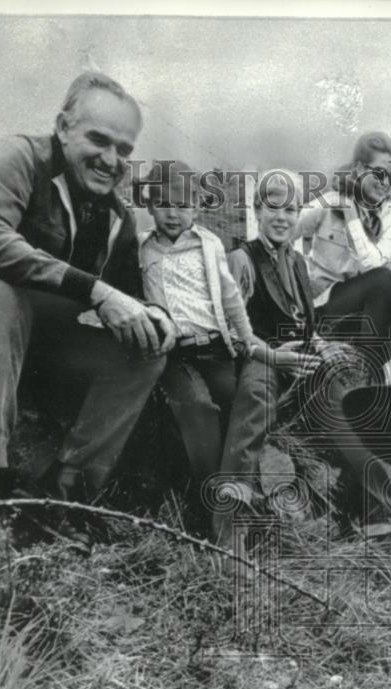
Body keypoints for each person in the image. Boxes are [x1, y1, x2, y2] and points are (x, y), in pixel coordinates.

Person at [0, 72, 174, 526]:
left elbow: (129, 295)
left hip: (43, 348)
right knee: (1, 294)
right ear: (63, 127)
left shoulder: (119, 215)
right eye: (99, 140)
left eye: (124, 150)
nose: (111, 160)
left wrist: (157, 315)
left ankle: (67, 489)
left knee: (145, 345)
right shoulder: (18, 157)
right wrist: (94, 290)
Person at [220, 170, 391, 548]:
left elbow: (302, 319)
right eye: (273, 207)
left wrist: (321, 344)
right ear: (257, 210)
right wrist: (271, 356)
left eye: (291, 208)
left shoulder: (297, 262)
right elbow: (232, 334)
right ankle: (231, 525)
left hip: (301, 359)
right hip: (261, 357)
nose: (282, 217)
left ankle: (374, 512)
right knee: (255, 399)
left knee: (347, 399)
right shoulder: (241, 259)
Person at [137, 160, 268, 535]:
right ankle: (211, 503)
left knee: (236, 404)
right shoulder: (142, 250)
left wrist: (248, 338)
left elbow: (229, 298)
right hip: (176, 354)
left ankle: (246, 495)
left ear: (195, 206)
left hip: (214, 346)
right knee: (196, 406)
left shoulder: (209, 244)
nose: (173, 213)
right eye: (163, 204)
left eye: (181, 204)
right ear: (149, 206)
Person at [297, 131, 391, 385]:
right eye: (380, 173)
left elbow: (372, 265)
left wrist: (352, 219)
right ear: (359, 168)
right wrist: (299, 271)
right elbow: (289, 231)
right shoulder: (329, 203)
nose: (386, 182)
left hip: (368, 318)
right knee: (383, 279)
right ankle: (366, 378)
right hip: (327, 311)